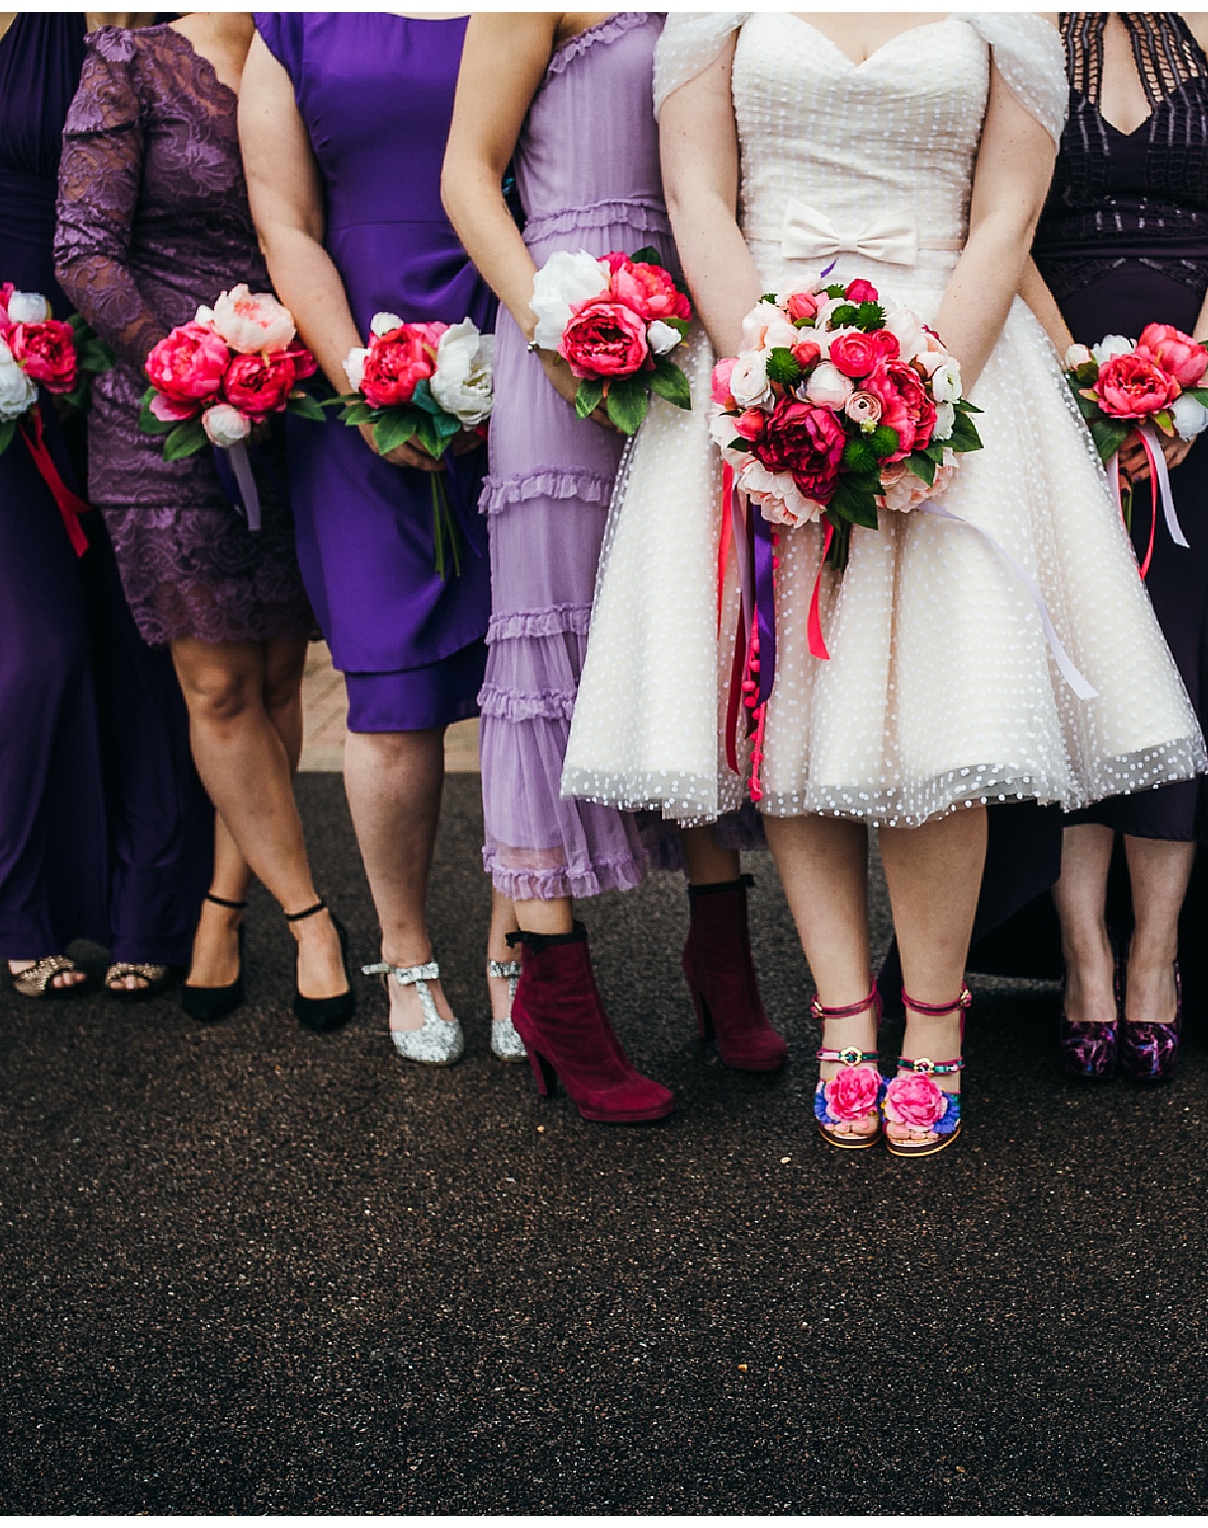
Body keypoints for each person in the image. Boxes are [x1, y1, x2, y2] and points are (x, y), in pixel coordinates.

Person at [560, 12, 1206, 1154]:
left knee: (939, 721)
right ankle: (845, 1020)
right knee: (792, 706)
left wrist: (922, 396)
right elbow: (699, 195)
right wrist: (772, 385)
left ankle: (937, 1027)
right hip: (762, 358)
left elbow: (1007, 211)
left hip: (953, 364)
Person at [439, 10, 783, 1122]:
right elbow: (467, 178)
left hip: (690, 325)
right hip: (561, 333)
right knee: (547, 654)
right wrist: (555, 320)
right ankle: (558, 998)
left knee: (688, 630)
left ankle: (721, 963)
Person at [0, 11, 213, 1004]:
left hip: (120, 360)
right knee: (47, 644)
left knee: (140, 634)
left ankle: (150, 912)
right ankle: (23, 905)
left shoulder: (168, 25)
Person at [997, 11, 1208, 1080]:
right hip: (1052, 376)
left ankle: (1158, 954)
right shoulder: (1021, 25)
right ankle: (1083, 955)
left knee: (1178, 657)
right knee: (1077, 663)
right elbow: (1003, 221)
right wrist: (1081, 377)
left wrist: (1190, 387)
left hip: (1204, 391)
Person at [54, 12, 352, 1030]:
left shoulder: (304, 54)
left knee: (275, 672)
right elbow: (85, 253)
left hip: (288, 409)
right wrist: (193, 372)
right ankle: (313, 918)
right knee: (217, 680)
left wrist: (267, 378)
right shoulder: (128, 62)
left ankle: (225, 901)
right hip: (164, 424)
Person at [240, 12, 499, 1065]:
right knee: (389, 691)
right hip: (354, 354)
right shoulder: (291, 23)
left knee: (528, 677)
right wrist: (362, 380)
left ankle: (518, 942)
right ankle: (409, 953)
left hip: (513, 330)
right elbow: (283, 216)